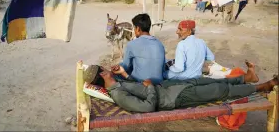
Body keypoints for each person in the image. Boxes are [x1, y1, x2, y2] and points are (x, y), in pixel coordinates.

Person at [89, 61, 278, 113]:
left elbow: (138, 86)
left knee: (214, 80)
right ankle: (264, 87)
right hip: (176, 97)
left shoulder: (118, 83)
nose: (108, 68)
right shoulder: (119, 94)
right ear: (103, 75)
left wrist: (123, 73)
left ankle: (246, 78)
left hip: (175, 86)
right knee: (220, 91)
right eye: (105, 69)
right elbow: (147, 107)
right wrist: (149, 88)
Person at [117, 13, 165, 85]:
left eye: (134, 28)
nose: (134, 30)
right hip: (158, 82)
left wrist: (118, 67)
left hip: (141, 83)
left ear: (138, 29)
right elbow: (162, 68)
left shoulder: (132, 44)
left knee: (116, 74)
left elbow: (125, 66)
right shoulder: (159, 44)